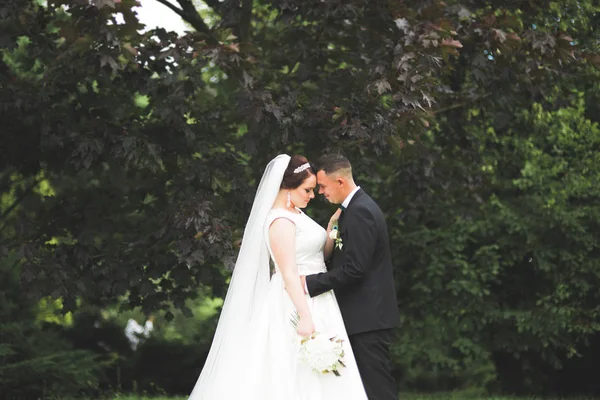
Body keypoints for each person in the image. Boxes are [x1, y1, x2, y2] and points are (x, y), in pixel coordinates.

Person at [188, 154, 367, 400]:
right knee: (291, 368)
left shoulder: (297, 212)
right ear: (287, 188)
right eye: (308, 190)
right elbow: (289, 273)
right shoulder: (280, 220)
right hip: (295, 300)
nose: (312, 195)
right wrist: (304, 315)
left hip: (319, 296)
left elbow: (318, 254)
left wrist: (331, 229)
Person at [302, 154, 400, 400]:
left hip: (368, 318)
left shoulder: (360, 212)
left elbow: (355, 269)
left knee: (377, 388)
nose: (321, 192)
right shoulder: (352, 210)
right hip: (364, 316)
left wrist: (310, 283)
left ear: (340, 182)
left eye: (323, 186)